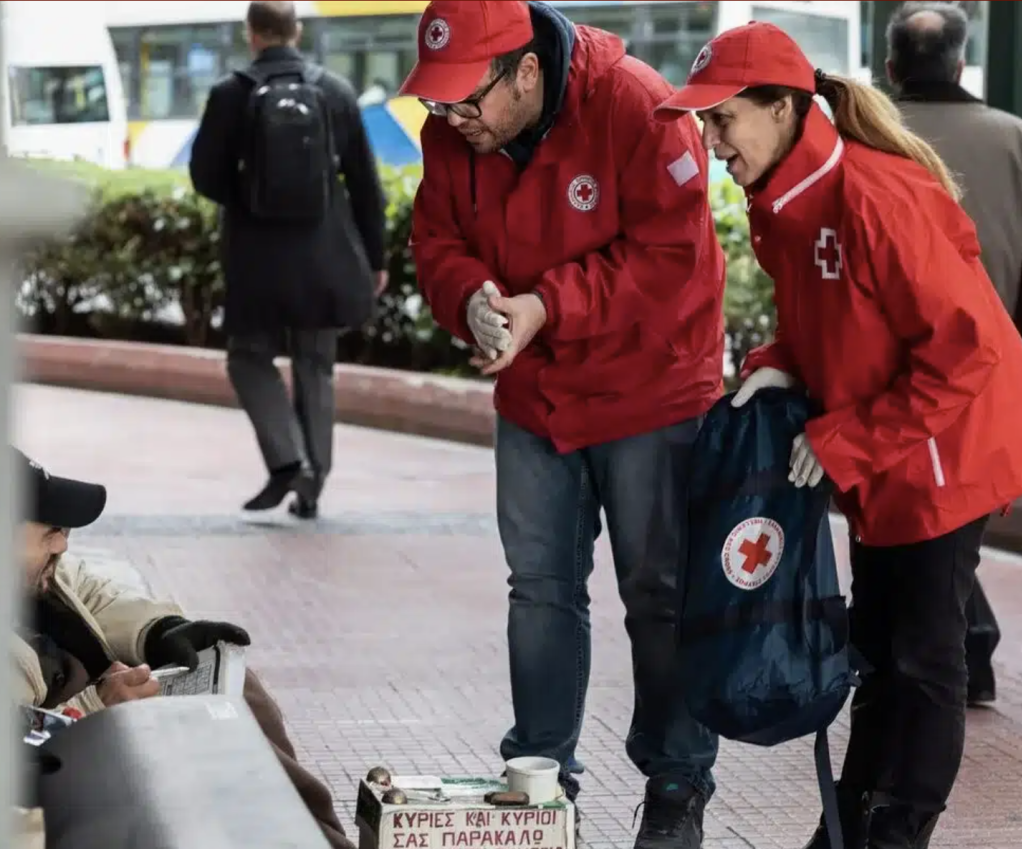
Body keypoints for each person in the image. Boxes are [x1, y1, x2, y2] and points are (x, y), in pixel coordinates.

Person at [654, 22, 1022, 849]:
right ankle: (851, 825)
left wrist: (850, 439)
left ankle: (893, 830)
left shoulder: (878, 197)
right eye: (703, 122)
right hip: (894, 452)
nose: (711, 141)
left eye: (723, 119)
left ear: (780, 108)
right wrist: (778, 362)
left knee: (920, 662)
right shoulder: (783, 202)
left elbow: (966, 352)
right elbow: (825, 322)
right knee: (879, 651)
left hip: (950, 449)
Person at [400, 1, 726, 846]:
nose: (451, 120)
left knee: (659, 591)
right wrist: (467, 297)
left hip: (650, 390)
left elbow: (672, 256)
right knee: (539, 588)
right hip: (536, 396)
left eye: (465, 101)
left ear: (528, 71)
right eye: (437, 104)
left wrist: (550, 304)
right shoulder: (453, 132)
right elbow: (434, 239)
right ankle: (542, 776)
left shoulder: (634, 104)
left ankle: (678, 779)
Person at [11, 447, 356, 849]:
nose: (61, 547)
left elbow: (88, 588)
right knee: (213, 735)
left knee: (235, 692)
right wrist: (93, 710)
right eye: (50, 532)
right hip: (67, 776)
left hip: (104, 715)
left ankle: (323, 839)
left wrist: (161, 631)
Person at [884, 0, 1022, 706]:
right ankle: (962, 642)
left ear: (892, 64)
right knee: (955, 510)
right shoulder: (1016, 138)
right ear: (963, 63)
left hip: (884, 364)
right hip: (982, 361)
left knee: (909, 516)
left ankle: (950, 646)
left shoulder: (867, 133)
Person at [190, 0, 388, 519]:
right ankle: (312, 485)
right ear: (295, 31)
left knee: (247, 358)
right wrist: (376, 256)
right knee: (315, 365)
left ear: (252, 34)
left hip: (255, 258)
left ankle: (287, 457)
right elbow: (367, 185)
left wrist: (249, 194)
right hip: (324, 255)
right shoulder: (335, 92)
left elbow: (205, 178)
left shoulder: (230, 94)